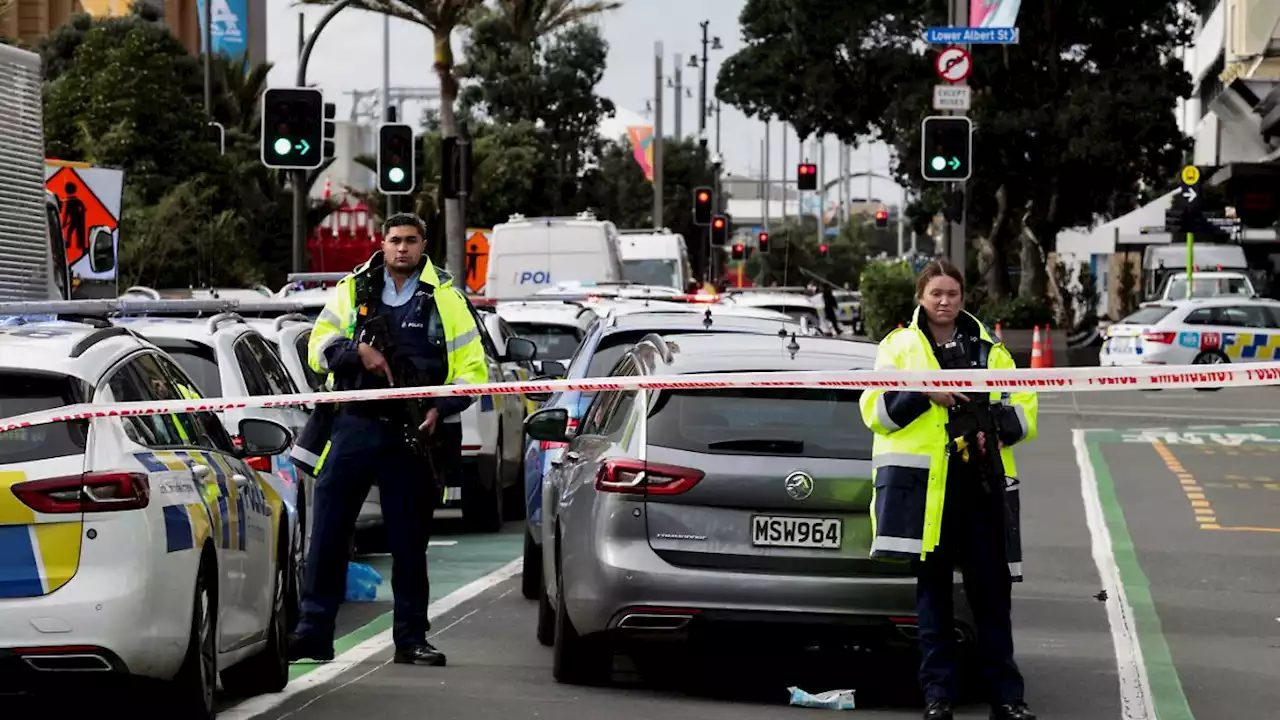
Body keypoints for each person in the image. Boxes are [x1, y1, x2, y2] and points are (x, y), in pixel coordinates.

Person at [288, 213, 489, 667]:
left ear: (423, 245)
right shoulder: (353, 289)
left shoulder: (447, 299)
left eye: (411, 241)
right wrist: (355, 350)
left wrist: (441, 407)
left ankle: (411, 639)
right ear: (383, 242)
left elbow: (473, 374)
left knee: (408, 543)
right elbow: (318, 349)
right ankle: (312, 635)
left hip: (412, 433)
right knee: (328, 536)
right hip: (355, 424)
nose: (402, 249)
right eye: (395, 240)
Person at [858, 260, 1038, 720]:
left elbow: (1025, 406)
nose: (944, 302)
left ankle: (1007, 698)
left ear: (962, 297)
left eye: (952, 294)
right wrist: (924, 392)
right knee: (933, 599)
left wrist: (995, 425)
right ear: (921, 296)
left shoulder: (990, 347)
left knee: (992, 599)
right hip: (927, 494)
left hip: (982, 488)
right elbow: (875, 413)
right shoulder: (898, 347)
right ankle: (939, 697)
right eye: (936, 293)